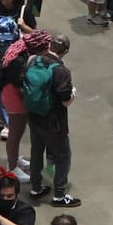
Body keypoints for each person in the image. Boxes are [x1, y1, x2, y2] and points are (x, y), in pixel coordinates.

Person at [24, 32, 79, 207]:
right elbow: (65, 100)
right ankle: (60, 195)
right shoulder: (61, 71)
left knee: (36, 151)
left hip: (33, 117)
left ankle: (36, 187)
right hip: (54, 122)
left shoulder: (34, 61)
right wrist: (73, 94)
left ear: (49, 46)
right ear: (66, 50)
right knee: (63, 156)